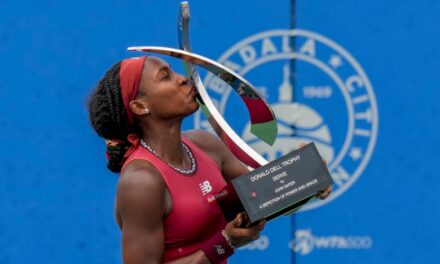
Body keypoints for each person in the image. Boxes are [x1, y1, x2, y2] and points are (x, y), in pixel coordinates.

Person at [87, 55, 332, 264]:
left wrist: (304, 177)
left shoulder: (206, 144)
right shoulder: (142, 181)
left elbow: (263, 196)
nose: (184, 78)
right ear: (140, 106)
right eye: (165, 77)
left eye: (174, 72)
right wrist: (224, 244)